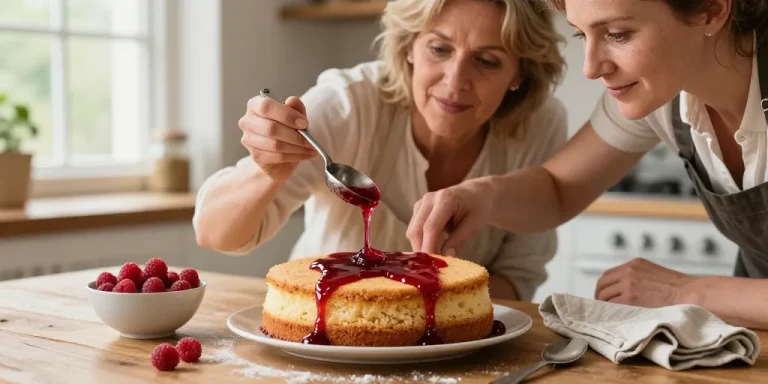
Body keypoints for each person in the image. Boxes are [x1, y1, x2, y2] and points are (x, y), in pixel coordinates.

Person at [406, 0, 768, 328]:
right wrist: (480, 196)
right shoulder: (662, 96)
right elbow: (557, 189)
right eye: (582, 34)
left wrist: (683, 293)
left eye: (617, 34)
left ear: (711, 10)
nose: (591, 68)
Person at [192, 0, 568, 301]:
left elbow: (518, 278)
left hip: (458, 355)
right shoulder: (349, 105)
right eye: (439, 49)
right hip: (322, 344)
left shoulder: (539, 127)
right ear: (409, 48)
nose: (455, 82)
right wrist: (266, 171)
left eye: (487, 60)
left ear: (520, 73)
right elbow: (215, 234)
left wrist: (411, 314)